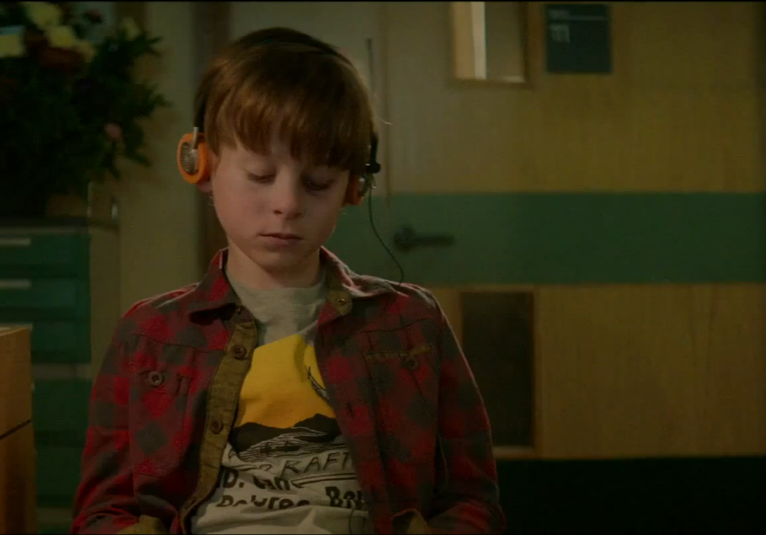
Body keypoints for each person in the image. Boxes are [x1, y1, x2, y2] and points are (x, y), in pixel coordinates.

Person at [72, 27, 504, 535]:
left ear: (355, 186)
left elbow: (471, 501)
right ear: (201, 164)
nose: (287, 203)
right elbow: (103, 513)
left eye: (317, 182)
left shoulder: (412, 324)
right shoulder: (148, 335)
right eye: (260, 174)